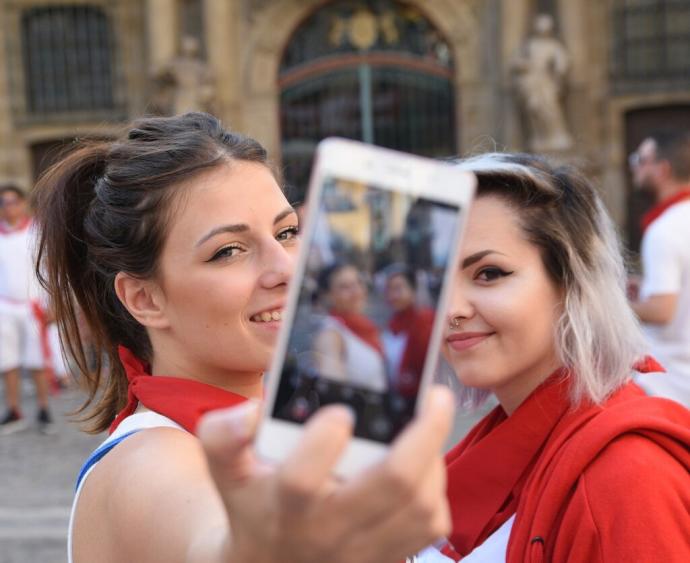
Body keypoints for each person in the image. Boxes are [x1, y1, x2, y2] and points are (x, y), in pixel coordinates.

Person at [32, 112, 454, 563]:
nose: (287, 268)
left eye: (287, 232)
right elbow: (215, 541)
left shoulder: (298, 413)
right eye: (228, 251)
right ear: (144, 298)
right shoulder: (147, 461)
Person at [417, 153, 690, 562]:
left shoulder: (626, 478)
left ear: (571, 284)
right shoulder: (504, 440)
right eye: (435, 279)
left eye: (489, 273)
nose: (449, 308)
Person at [629, 132, 690, 408]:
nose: (635, 167)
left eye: (640, 160)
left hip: (668, 383)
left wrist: (612, 301)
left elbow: (662, 311)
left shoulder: (664, 230)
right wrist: (647, 285)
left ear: (662, 170)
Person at [0, 185, 54, 434]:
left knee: (36, 360)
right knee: (7, 361)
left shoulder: (36, 232)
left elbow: (49, 269)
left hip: (33, 305)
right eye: (3, 203)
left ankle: (44, 408)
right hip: (5, 306)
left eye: (13, 202)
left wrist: (53, 302)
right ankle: (14, 410)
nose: (8, 207)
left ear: (23, 203)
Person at [313, 262, 388, 391]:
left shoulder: (365, 326)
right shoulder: (331, 334)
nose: (357, 291)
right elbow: (331, 384)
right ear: (328, 296)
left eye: (358, 282)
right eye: (344, 287)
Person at [382, 265, 435, 396]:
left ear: (413, 290)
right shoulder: (391, 324)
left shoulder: (426, 320)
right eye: (389, 289)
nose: (392, 295)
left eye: (398, 289)